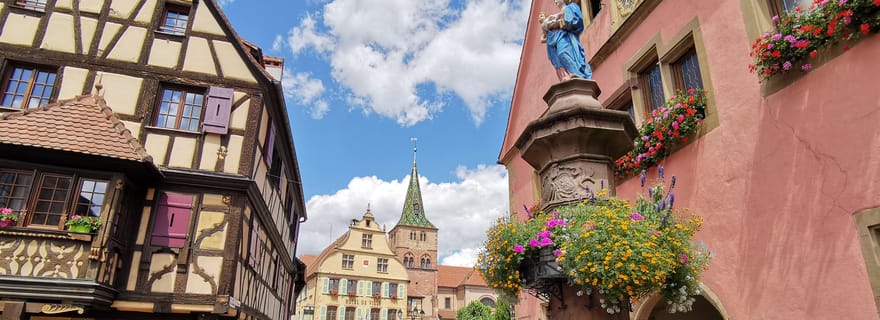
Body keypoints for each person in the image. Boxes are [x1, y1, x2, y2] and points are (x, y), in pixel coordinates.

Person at [542, 0, 592, 81]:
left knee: (563, 52)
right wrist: (547, 27)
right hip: (559, 38)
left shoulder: (571, 7)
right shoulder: (556, 15)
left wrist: (558, 23)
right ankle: (568, 74)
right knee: (560, 56)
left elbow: (575, 21)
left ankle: (577, 74)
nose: (555, 1)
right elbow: (545, 34)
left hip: (567, 38)